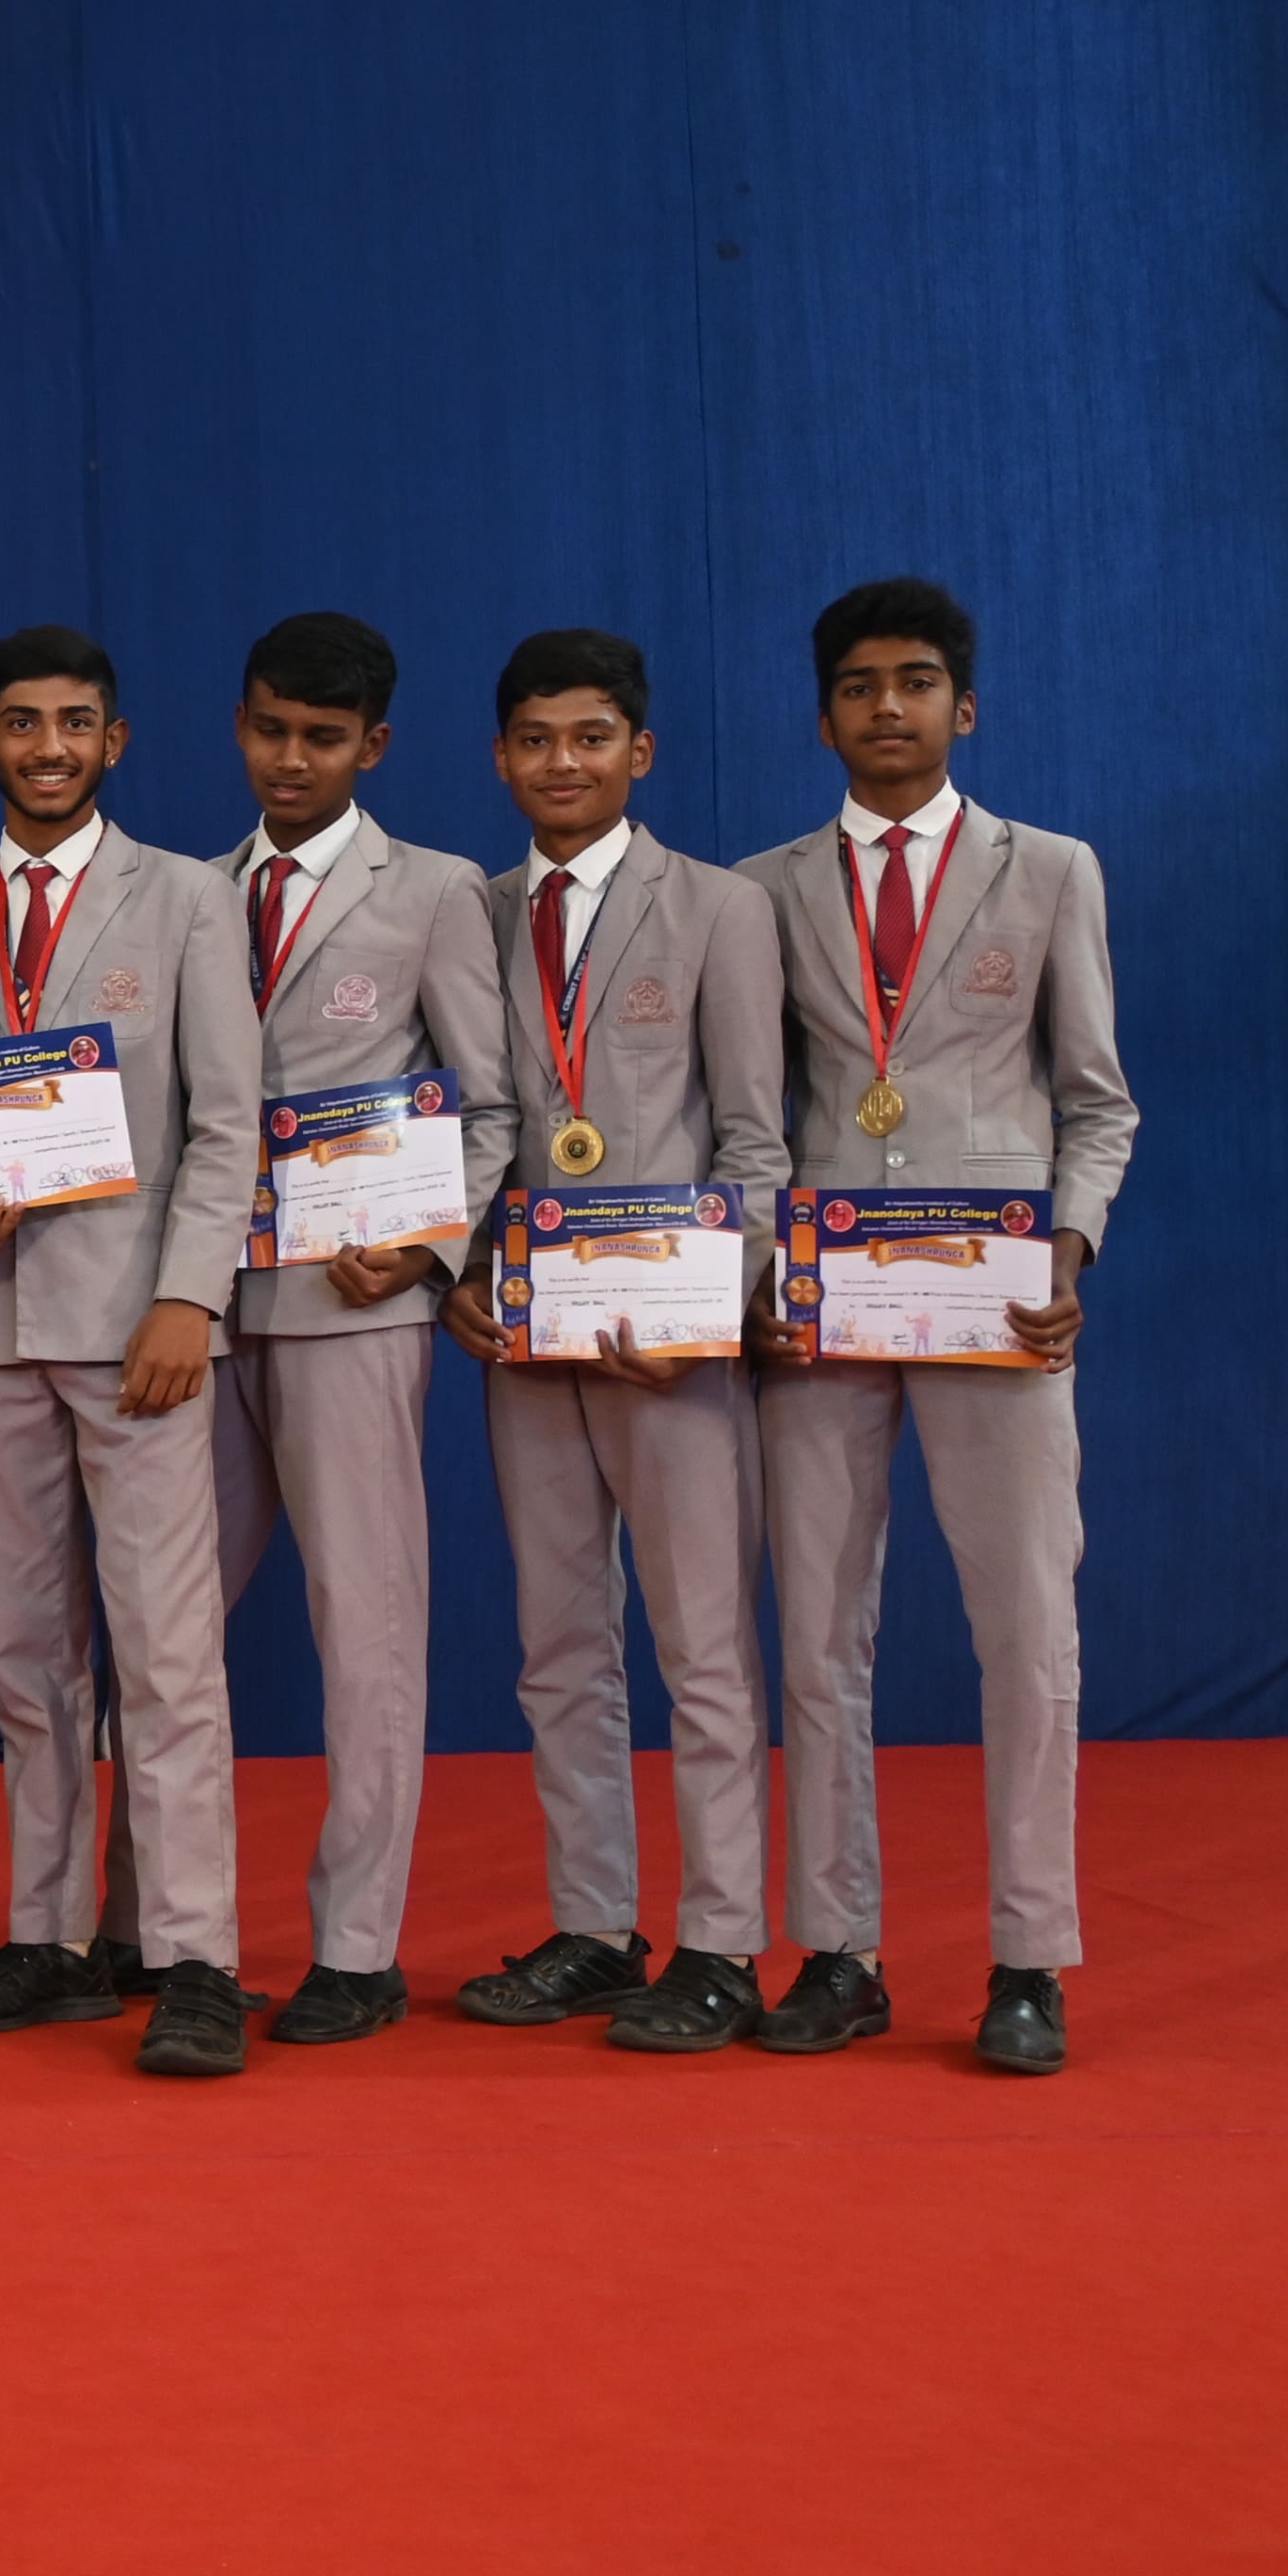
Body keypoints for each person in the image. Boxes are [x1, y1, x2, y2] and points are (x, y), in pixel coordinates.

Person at [739, 580, 1131, 2074]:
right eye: (858, 686)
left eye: (914, 682)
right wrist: (764, 1273)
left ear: (963, 706)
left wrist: (1068, 1251)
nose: (886, 707)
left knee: (1027, 1628)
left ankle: (1030, 1961)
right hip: (825, 1309)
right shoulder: (763, 892)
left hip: (999, 1303)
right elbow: (749, 1119)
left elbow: (1096, 1101)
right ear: (823, 717)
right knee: (819, 1638)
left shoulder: (1052, 871)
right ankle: (839, 1950)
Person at [0, 625, 265, 2079]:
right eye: (20, 723)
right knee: (26, 1659)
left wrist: (192, 1298)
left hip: (140, 1334)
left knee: (168, 1659)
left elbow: (228, 1123)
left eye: (73, 723)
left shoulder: (185, 899)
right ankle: (49, 1939)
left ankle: (193, 1957)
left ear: (113, 742)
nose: (46, 747)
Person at [158, 615, 512, 2048]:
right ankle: (154, 1932)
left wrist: (427, 1249)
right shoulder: (188, 891)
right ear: (237, 728)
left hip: (350, 1306)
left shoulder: (433, 890)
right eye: (269, 731)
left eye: (321, 738)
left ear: (374, 745)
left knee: (364, 1626)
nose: (289, 760)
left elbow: (490, 1105)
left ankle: (358, 1950)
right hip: (194, 1308)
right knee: (162, 1625)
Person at [437, 630, 789, 2056]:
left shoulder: (719, 907)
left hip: (672, 1345)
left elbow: (756, 1141)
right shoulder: (469, 912)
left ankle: (722, 1942)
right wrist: (458, 1269)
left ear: (639, 751)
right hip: (529, 1337)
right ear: (499, 757)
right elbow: (464, 1123)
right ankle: (594, 1925)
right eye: (534, 739)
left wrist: (714, 1312)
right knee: (560, 1645)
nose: (561, 763)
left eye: (590, 738)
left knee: (704, 1649)